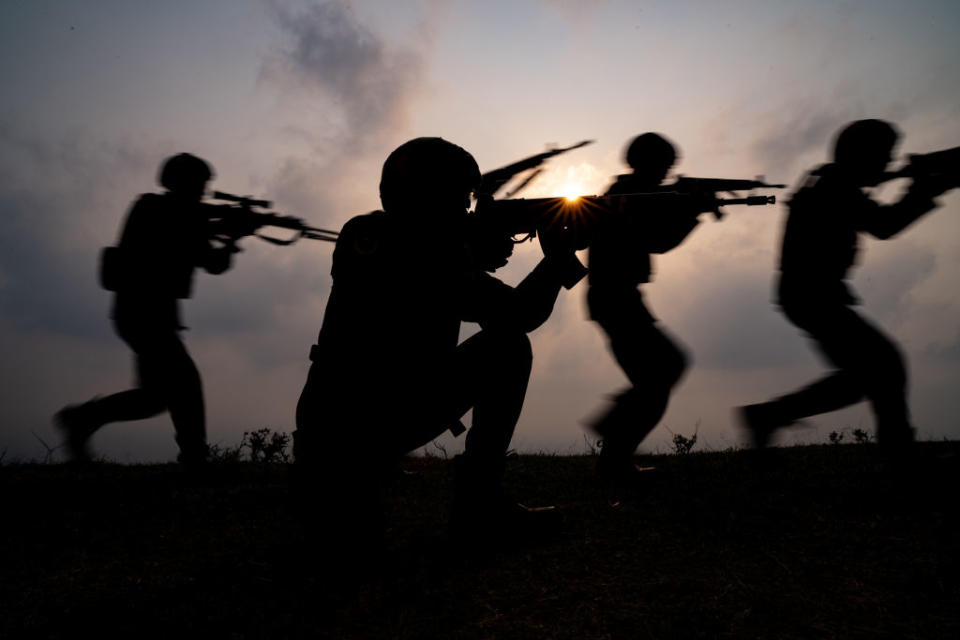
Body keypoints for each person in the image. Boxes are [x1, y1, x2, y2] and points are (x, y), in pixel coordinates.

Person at [294, 137, 577, 551]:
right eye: (461, 199)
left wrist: (472, 255)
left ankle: (474, 509)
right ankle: (478, 511)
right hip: (355, 431)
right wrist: (557, 259)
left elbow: (455, 293)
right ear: (429, 195)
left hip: (355, 424)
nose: (467, 211)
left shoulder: (387, 240)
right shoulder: (378, 237)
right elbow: (518, 316)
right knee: (509, 349)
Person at [739, 119, 954, 456]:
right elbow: (885, 225)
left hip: (807, 295)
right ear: (860, 155)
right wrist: (925, 188)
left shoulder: (828, 179)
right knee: (884, 366)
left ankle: (770, 415)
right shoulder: (834, 186)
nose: (888, 164)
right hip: (812, 296)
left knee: (866, 376)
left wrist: (924, 184)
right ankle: (900, 455)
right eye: (883, 156)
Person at [55, 153, 240, 467]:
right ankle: (195, 458)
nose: (203, 191)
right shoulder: (158, 210)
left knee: (155, 398)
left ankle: (81, 418)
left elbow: (211, 260)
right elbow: (211, 261)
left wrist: (231, 235)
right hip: (143, 313)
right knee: (186, 382)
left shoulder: (172, 213)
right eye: (199, 184)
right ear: (183, 182)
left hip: (146, 315)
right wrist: (229, 235)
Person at [586, 133, 703, 485]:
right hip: (614, 297)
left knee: (659, 372)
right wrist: (693, 211)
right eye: (664, 166)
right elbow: (659, 240)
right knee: (662, 371)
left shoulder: (629, 192)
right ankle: (614, 456)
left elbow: (657, 235)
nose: (667, 174)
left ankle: (614, 450)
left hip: (618, 296)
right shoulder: (627, 196)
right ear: (649, 163)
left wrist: (689, 207)